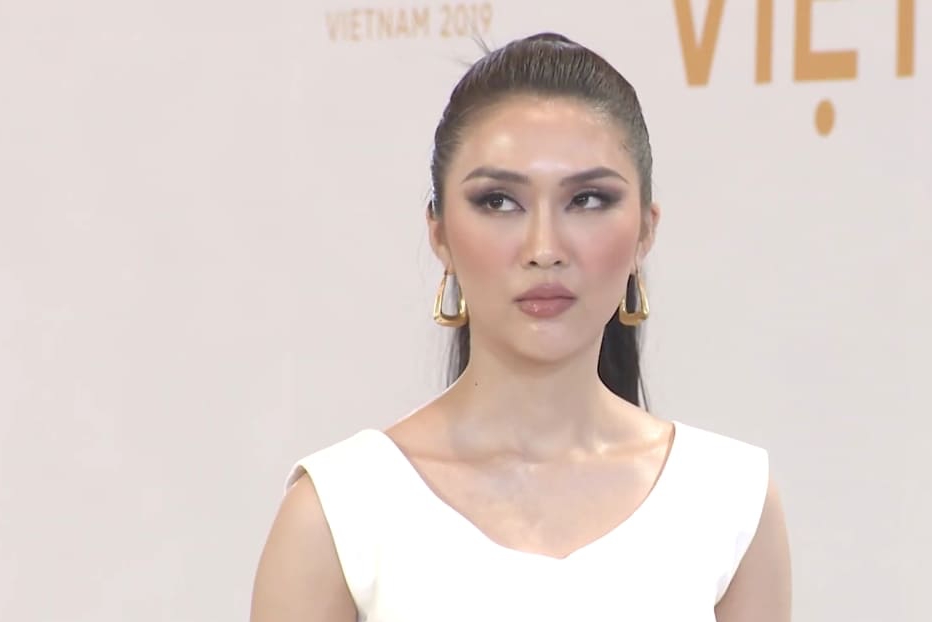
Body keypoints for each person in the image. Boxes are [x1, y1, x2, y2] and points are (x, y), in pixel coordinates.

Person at [250, 32, 792, 622]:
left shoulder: (729, 498)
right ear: (440, 233)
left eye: (587, 200)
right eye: (499, 202)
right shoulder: (338, 513)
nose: (544, 249)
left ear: (645, 230)